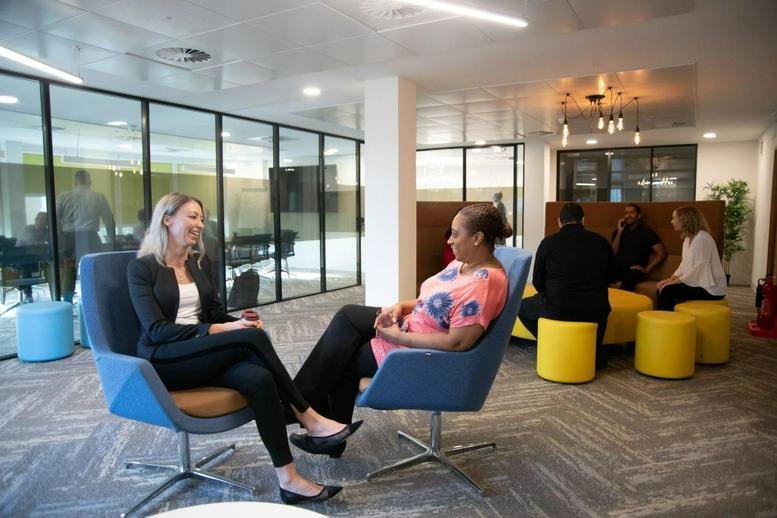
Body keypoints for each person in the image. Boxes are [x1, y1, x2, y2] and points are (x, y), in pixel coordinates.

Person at [127, 192, 359, 504]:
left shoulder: (196, 262)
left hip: (202, 352)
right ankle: (309, 416)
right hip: (164, 360)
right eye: (192, 216)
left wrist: (239, 322)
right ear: (167, 219)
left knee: (258, 379)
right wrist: (222, 330)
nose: (200, 224)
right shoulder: (142, 269)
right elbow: (156, 331)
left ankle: (289, 480)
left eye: (202, 218)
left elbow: (213, 313)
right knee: (252, 341)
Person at [293, 203, 512, 457]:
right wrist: (399, 307)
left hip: (418, 353)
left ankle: (313, 419)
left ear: (477, 238)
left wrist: (398, 336)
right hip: (409, 326)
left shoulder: (483, 284)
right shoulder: (462, 264)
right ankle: (303, 405)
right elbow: (429, 300)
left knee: (344, 358)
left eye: (455, 234)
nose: (449, 241)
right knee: (348, 315)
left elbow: (458, 343)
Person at [518, 202, 616, 370]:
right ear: (583, 220)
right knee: (599, 307)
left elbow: (538, 281)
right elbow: (612, 277)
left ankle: (556, 342)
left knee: (520, 307)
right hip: (596, 308)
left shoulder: (548, 243)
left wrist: (549, 294)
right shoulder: (601, 242)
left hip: (559, 307)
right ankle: (593, 353)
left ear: (559, 222)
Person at [57, 169, 116, 302]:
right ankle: (93, 301)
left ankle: (67, 302)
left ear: (75, 181)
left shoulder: (64, 196)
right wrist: (113, 240)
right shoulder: (99, 197)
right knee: (93, 269)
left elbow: (55, 219)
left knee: (69, 271)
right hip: (91, 237)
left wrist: (59, 238)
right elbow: (108, 220)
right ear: (90, 181)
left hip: (69, 237)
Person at [656, 205, 726, 310]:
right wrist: (670, 279)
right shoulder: (687, 239)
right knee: (662, 287)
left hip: (711, 289)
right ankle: (665, 317)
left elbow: (699, 269)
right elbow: (684, 265)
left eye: (674, 218)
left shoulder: (702, 239)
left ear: (684, 220)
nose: (672, 221)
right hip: (699, 283)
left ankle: (668, 318)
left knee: (667, 290)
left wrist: (673, 282)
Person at [611, 203, 667, 291]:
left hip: (634, 269)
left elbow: (662, 253)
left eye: (632, 213)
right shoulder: (618, 232)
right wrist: (620, 232)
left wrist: (647, 269)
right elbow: (613, 252)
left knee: (627, 281)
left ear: (639, 216)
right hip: (618, 267)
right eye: (626, 213)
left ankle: (620, 299)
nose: (628, 216)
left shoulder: (647, 233)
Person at [15, 211, 49, 303]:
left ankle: (58, 292)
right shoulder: (28, 229)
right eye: (41, 219)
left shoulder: (47, 231)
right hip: (20, 258)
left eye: (45, 220)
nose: (43, 222)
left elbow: (49, 244)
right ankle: (28, 294)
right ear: (36, 220)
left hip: (37, 258)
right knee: (26, 264)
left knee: (53, 261)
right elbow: (31, 244)